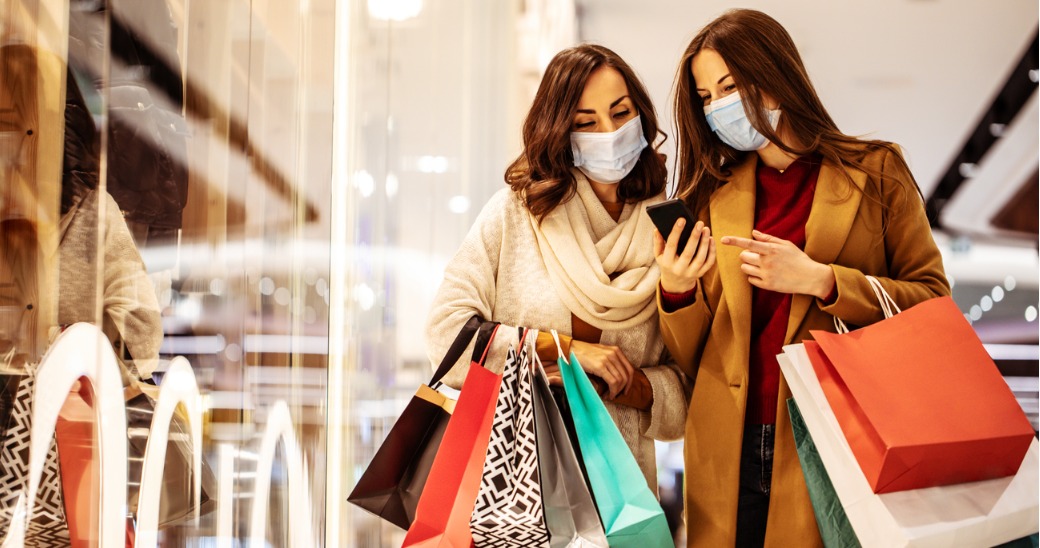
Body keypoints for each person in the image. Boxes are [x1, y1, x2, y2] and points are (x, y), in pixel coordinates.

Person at [654, 9, 950, 548]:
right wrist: (676, 290)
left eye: (729, 85)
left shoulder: (875, 171)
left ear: (774, 74)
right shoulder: (711, 195)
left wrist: (823, 280)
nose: (718, 105)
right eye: (705, 96)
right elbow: (695, 354)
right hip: (727, 444)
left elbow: (932, 301)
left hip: (836, 435)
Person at [425, 43, 689, 490]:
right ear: (560, 133)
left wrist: (630, 387)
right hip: (510, 488)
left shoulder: (668, 232)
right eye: (586, 123)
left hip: (619, 494)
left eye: (621, 113)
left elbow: (691, 389)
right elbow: (444, 337)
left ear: (641, 115)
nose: (609, 132)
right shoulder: (518, 214)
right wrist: (566, 351)